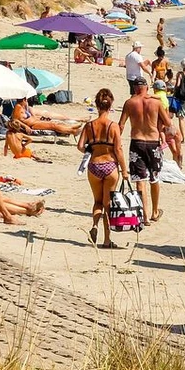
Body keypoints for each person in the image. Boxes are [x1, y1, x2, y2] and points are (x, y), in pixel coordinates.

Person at [77, 88, 128, 249]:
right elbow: (118, 150)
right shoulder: (113, 126)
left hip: (94, 165)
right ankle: (107, 240)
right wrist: (125, 171)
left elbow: (80, 146)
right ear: (111, 104)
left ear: (97, 105)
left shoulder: (89, 126)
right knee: (108, 205)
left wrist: (91, 150)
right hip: (110, 165)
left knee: (97, 201)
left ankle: (95, 225)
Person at [119, 77, 170, 225]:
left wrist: (115, 143)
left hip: (137, 142)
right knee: (154, 178)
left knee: (140, 181)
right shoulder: (156, 102)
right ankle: (155, 211)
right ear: (147, 87)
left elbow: (121, 125)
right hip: (153, 143)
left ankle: (145, 216)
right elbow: (168, 123)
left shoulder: (130, 103)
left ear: (135, 88)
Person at [12, 98, 82, 135]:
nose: (27, 101)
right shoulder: (18, 107)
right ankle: (72, 131)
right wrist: (25, 126)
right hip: (32, 125)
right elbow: (15, 120)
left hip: (35, 122)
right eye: (26, 100)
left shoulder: (23, 107)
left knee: (56, 122)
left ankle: (71, 128)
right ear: (24, 100)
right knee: (53, 125)